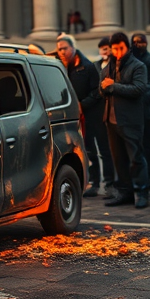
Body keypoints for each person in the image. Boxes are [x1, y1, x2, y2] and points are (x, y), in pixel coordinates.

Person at [100, 32, 149, 209]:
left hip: (130, 119)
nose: (118, 52)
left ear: (127, 47)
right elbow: (102, 89)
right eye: (115, 49)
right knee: (118, 159)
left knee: (136, 157)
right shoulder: (108, 67)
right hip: (111, 119)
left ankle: (141, 192)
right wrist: (104, 87)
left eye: (121, 48)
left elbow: (139, 89)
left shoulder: (138, 66)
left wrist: (113, 86)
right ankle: (125, 192)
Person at [56, 34, 101, 196]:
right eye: (59, 49)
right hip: (70, 115)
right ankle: (84, 181)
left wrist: (83, 104)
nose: (61, 52)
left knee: (90, 149)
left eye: (64, 48)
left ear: (73, 48)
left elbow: (97, 91)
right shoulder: (60, 66)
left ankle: (96, 182)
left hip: (88, 115)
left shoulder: (87, 67)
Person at [131, 32, 150, 183]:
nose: (138, 44)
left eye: (141, 41)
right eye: (135, 42)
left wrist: (139, 96)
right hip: (134, 112)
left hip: (147, 111)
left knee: (149, 145)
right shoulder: (131, 61)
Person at [91, 37, 115, 195]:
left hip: (109, 113)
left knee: (106, 151)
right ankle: (94, 182)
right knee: (91, 151)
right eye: (102, 49)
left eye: (107, 48)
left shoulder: (115, 65)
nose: (105, 52)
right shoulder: (95, 66)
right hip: (94, 113)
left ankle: (110, 182)